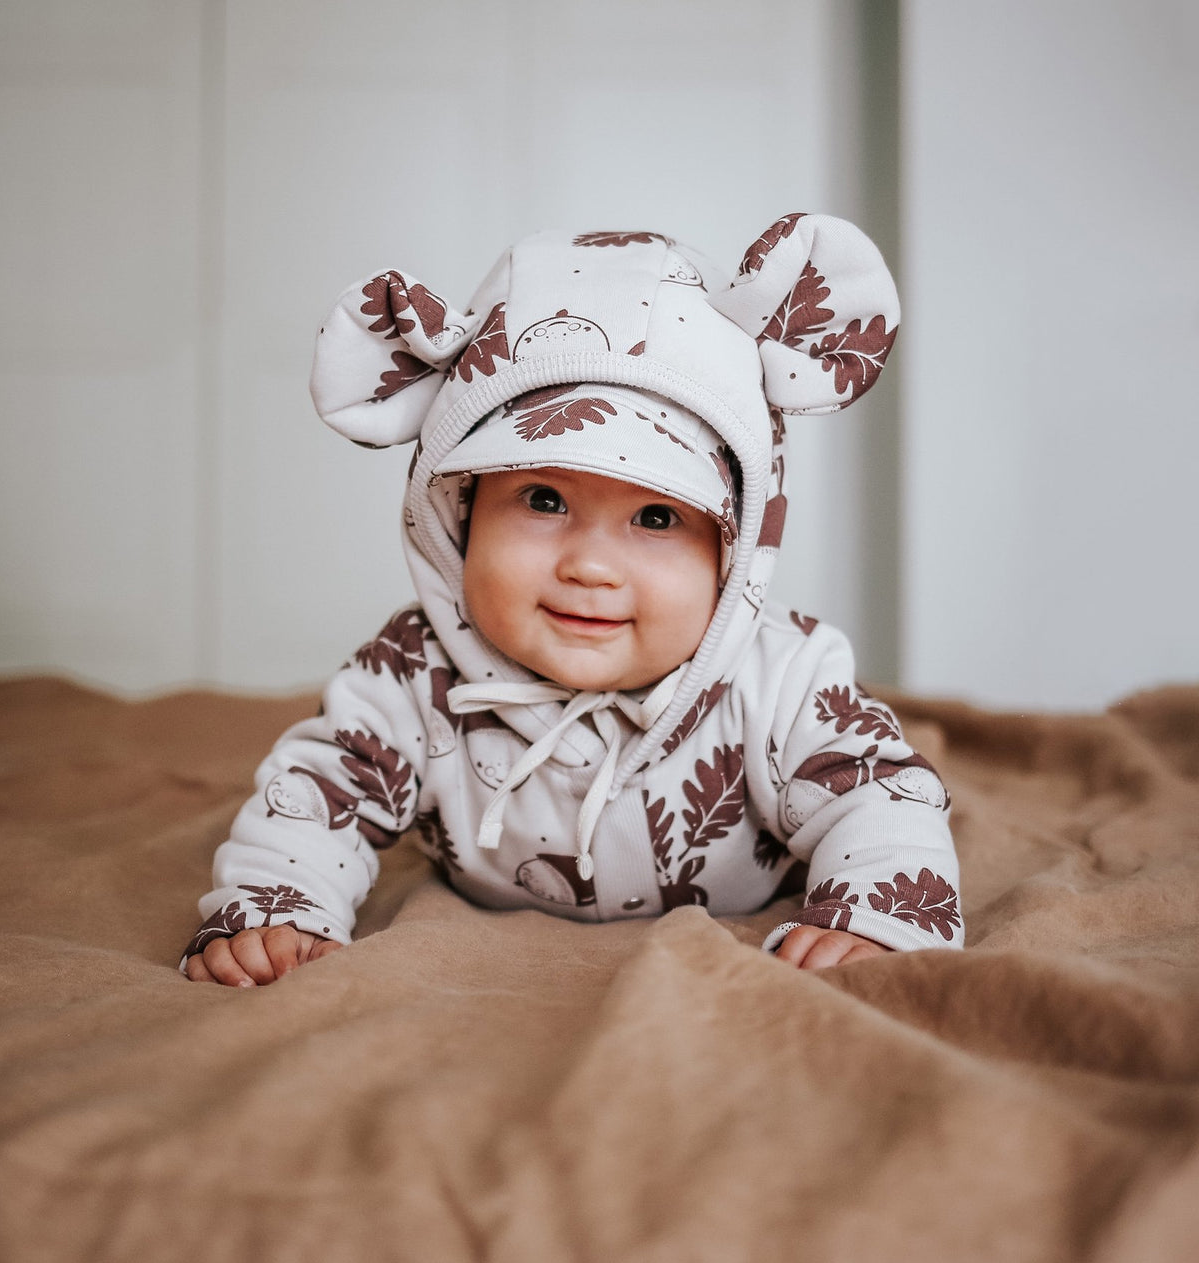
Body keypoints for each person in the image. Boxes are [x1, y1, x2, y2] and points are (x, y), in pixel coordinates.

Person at [184, 216, 963, 987]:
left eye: (656, 517)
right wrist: (279, 910)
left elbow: (880, 795)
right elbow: (319, 794)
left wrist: (872, 915)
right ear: (458, 511)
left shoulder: (785, 677)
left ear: (734, 549)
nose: (590, 565)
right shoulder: (412, 672)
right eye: (544, 498)